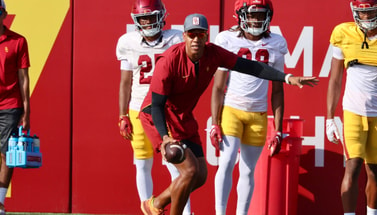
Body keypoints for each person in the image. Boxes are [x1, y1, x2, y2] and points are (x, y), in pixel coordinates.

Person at [139, 13, 318, 215]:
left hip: (183, 116)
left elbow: (250, 66)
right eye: (191, 35)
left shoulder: (213, 54)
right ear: (184, 36)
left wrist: (287, 77)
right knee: (189, 171)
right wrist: (164, 138)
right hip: (160, 116)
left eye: (200, 35)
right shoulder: (170, 60)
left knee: (200, 175)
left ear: (207, 37)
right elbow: (156, 105)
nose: (196, 40)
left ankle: (155, 204)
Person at [116, 0, 192, 214]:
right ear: (136, 21)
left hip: (165, 109)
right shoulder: (128, 42)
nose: (149, 23)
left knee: (176, 163)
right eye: (144, 18)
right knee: (142, 163)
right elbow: (125, 82)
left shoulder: (176, 38)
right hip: (139, 109)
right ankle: (150, 210)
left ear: (162, 16)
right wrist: (122, 115)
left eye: (152, 17)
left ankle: (185, 211)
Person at [210, 0, 287, 214]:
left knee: (248, 170)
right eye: (252, 14)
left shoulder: (276, 43)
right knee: (226, 161)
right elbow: (218, 87)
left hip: (258, 113)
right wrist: (215, 122)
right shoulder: (227, 40)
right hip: (232, 109)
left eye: (261, 15)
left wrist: (278, 129)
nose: (256, 19)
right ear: (240, 15)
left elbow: (278, 90)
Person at [326, 0, 377, 214]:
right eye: (361, 13)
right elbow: (335, 79)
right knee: (353, 166)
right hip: (354, 111)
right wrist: (329, 117)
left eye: (370, 12)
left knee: (375, 171)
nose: (365, 17)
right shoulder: (343, 32)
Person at [0, 0, 30, 214]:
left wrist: (26, 110)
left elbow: (23, 78)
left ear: (5, 14)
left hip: (9, 107)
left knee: (6, 155)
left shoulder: (18, 41)